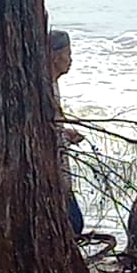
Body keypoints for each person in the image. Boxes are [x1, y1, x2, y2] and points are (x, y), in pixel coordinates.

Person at [50, 28, 84, 234]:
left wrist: (66, 133)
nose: (70, 60)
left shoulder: (52, 86)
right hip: (55, 168)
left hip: (61, 165)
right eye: (68, 54)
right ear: (55, 56)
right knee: (73, 223)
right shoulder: (46, 87)